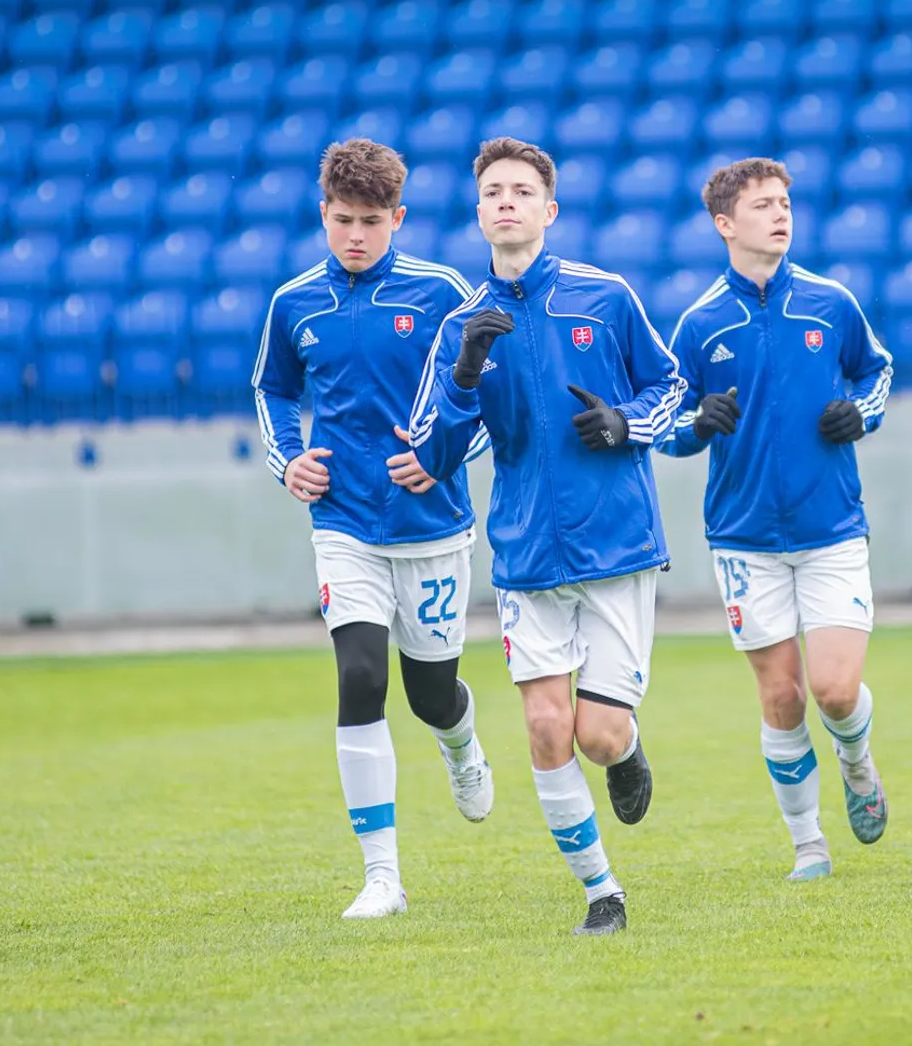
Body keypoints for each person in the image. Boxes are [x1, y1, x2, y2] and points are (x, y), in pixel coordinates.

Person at [409, 137, 685, 936]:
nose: (507, 202)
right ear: (478, 212)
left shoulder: (605, 296)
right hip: (526, 554)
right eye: (493, 191)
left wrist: (625, 421)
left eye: (522, 191)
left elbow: (670, 386)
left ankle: (625, 749)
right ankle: (603, 893)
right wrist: (465, 372)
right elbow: (431, 454)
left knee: (597, 734)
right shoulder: (460, 326)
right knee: (542, 724)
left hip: (617, 545)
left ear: (549, 210)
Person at [253, 139, 493, 920]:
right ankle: (382, 876)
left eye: (372, 221)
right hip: (344, 523)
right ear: (323, 214)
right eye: (343, 220)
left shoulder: (442, 292)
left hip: (431, 527)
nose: (356, 235)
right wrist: (289, 461)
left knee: (432, 696)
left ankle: (461, 743)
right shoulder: (295, 303)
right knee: (360, 677)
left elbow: (486, 401)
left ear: (399, 218)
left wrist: (440, 457)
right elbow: (272, 390)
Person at [655, 157, 893, 882]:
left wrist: (861, 414)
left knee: (836, 691)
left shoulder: (831, 303)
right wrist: (699, 423)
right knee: (782, 695)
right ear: (725, 224)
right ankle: (808, 845)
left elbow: (877, 372)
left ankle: (857, 761)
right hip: (745, 538)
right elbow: (667, 422)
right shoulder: (701, 324)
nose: (780, 214)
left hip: (831, 528)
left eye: (785, 203)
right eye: (763, 205)